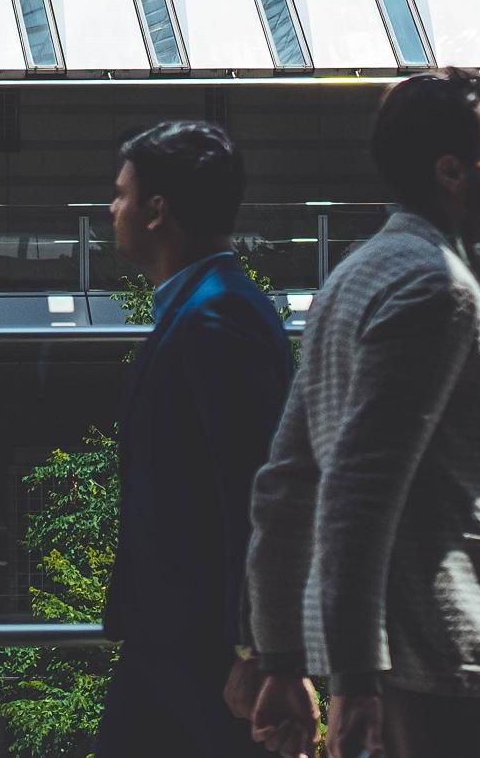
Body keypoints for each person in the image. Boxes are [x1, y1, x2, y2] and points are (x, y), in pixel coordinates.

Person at [238, 68, 480, 758]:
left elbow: (287, 481)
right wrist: (355, 682)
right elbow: (357, 494)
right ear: (452, 172)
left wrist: (279, 655)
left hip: (392, 667)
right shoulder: (438, 289)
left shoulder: (356, 273)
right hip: (437, 666)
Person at [92, 120, 294, 758]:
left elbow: (257, 492)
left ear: (158, 211)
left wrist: (258, 648)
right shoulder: (200, 309)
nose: (111, 207)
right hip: (171, 640)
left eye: (121, 194)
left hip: (203, 650)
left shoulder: (217, 318)